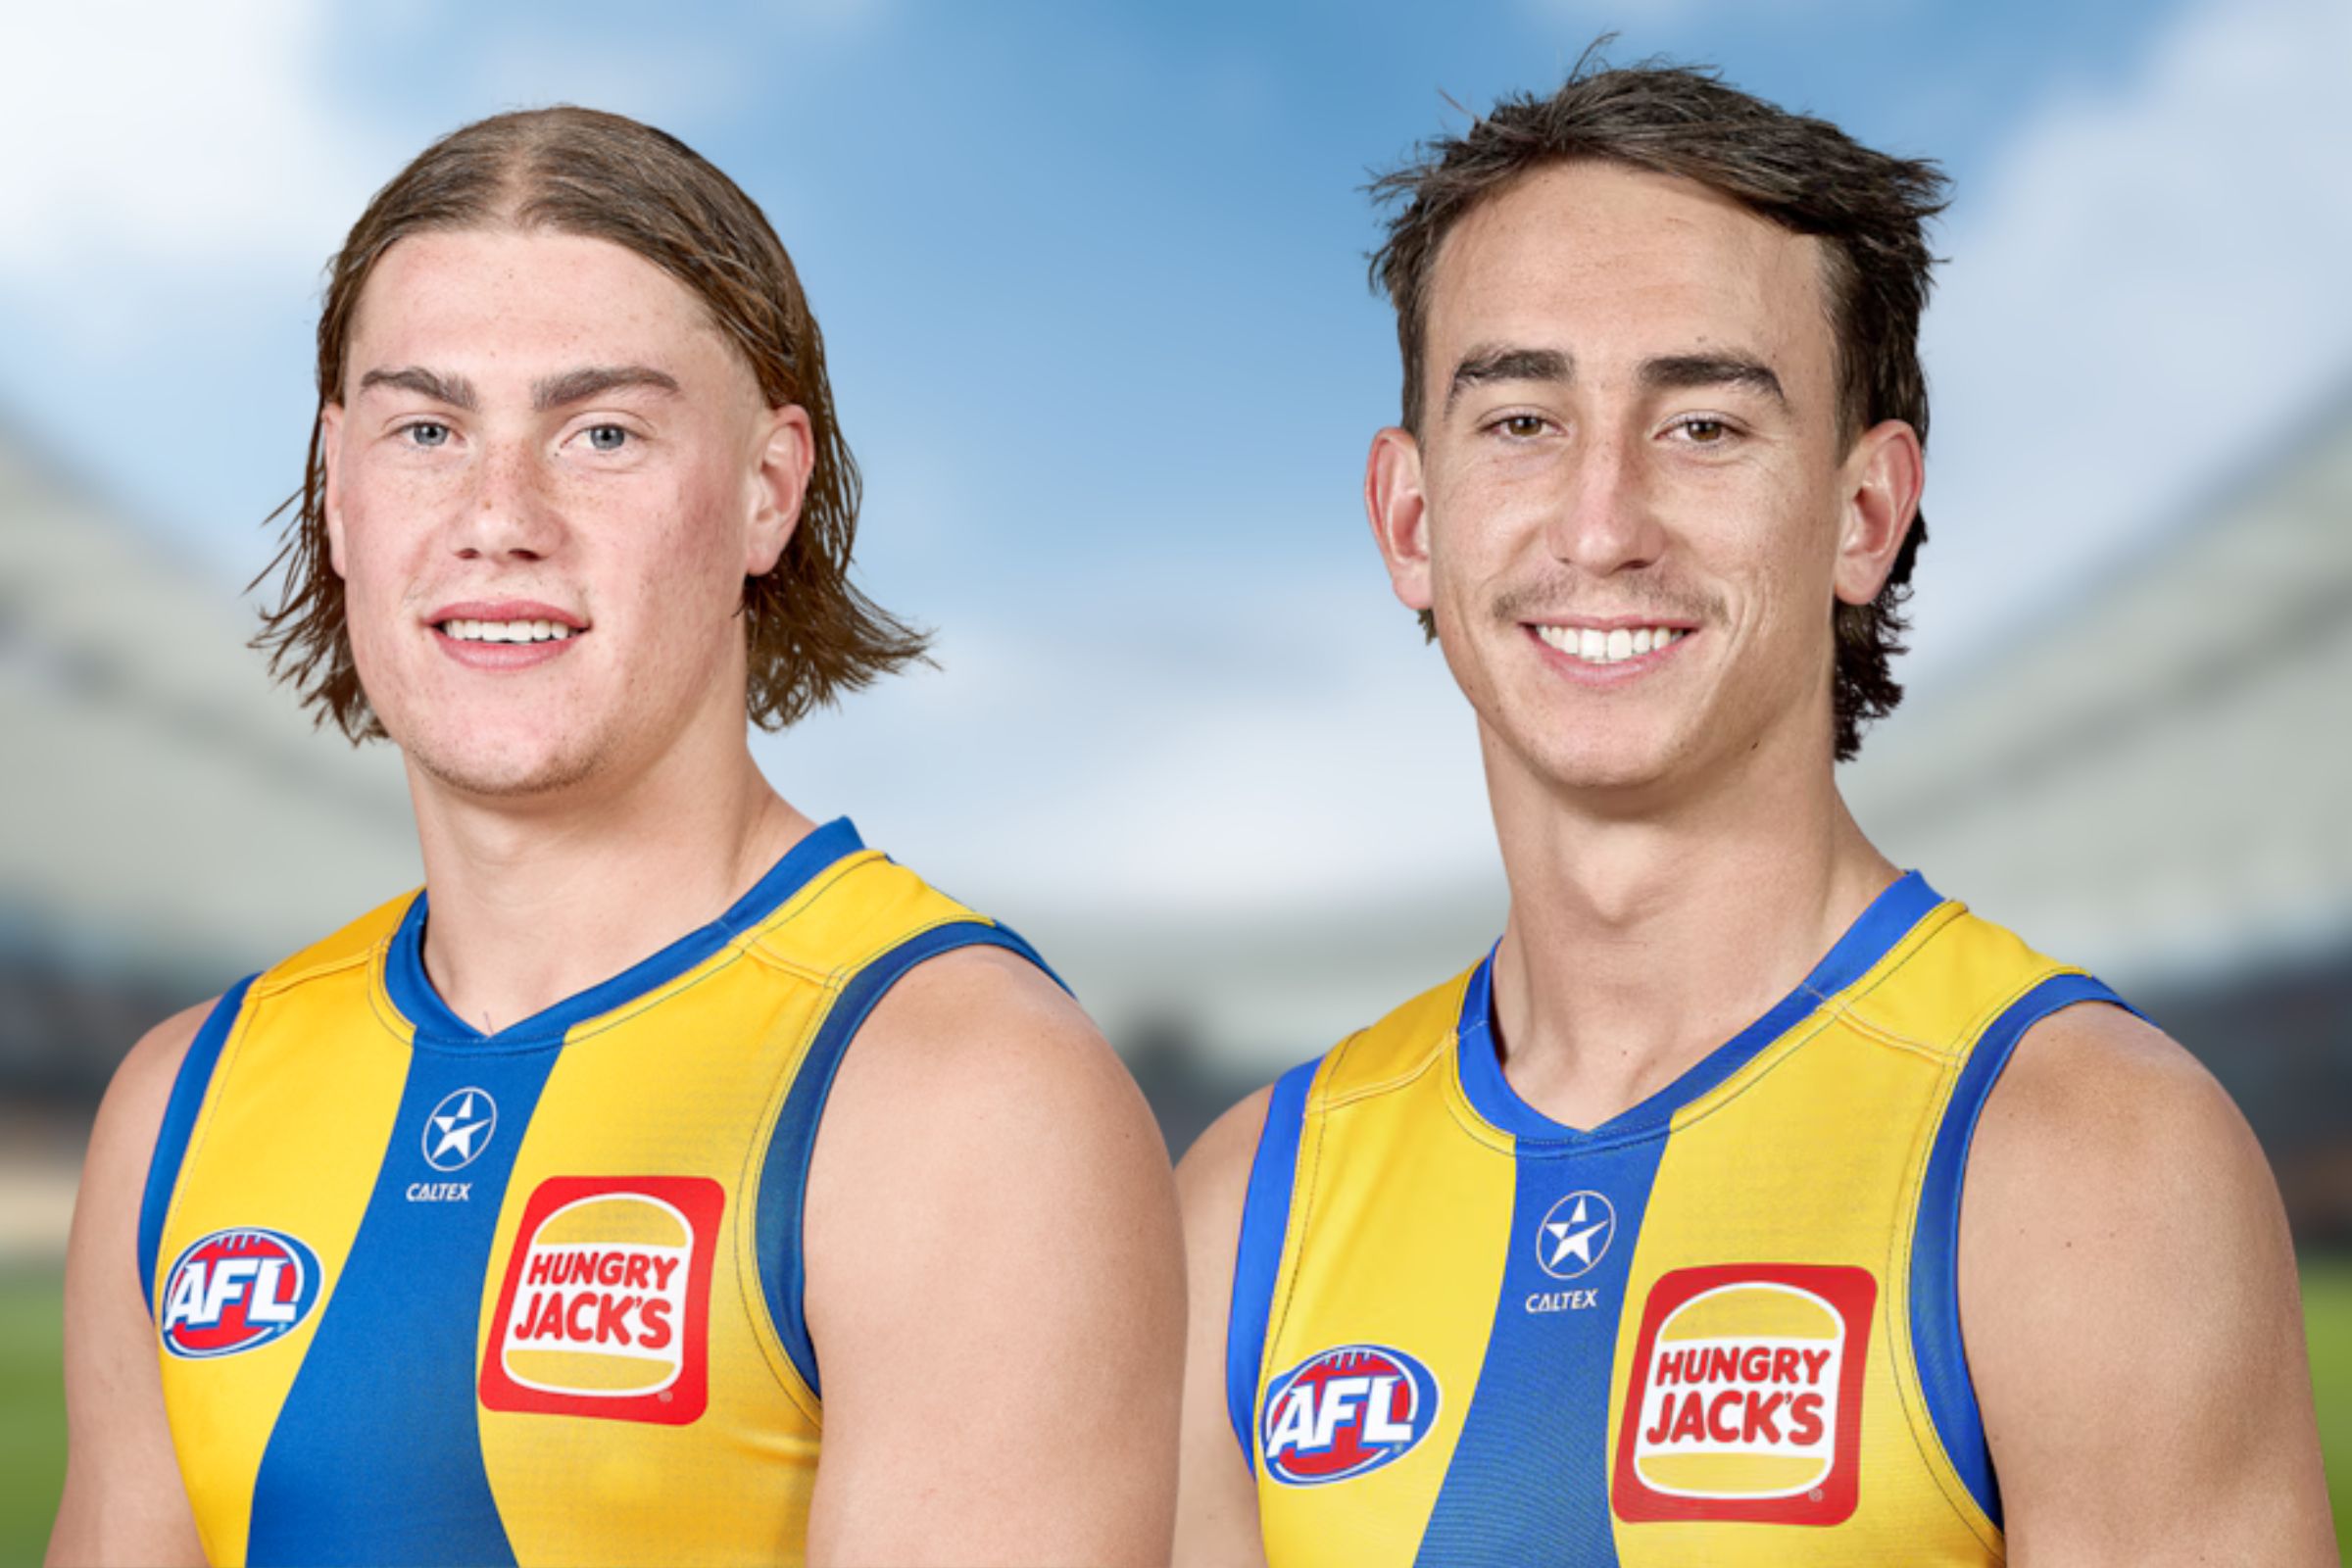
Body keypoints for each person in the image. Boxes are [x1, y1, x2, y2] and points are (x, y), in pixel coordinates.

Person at [1174, 60, 2337, 1566]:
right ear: (1411, 518)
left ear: (1865, 513)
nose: (1602, 524)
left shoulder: (2089, 1161)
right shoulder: (1247, 1207)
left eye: (1706, 426)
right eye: (1521, 420)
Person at [49, 107, 1184, 1568]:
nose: (498, 517)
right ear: (338, 487)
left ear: (769, 490)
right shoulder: (179, 1107)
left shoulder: (960, 1093)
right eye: (428, 429)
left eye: (602, 433)